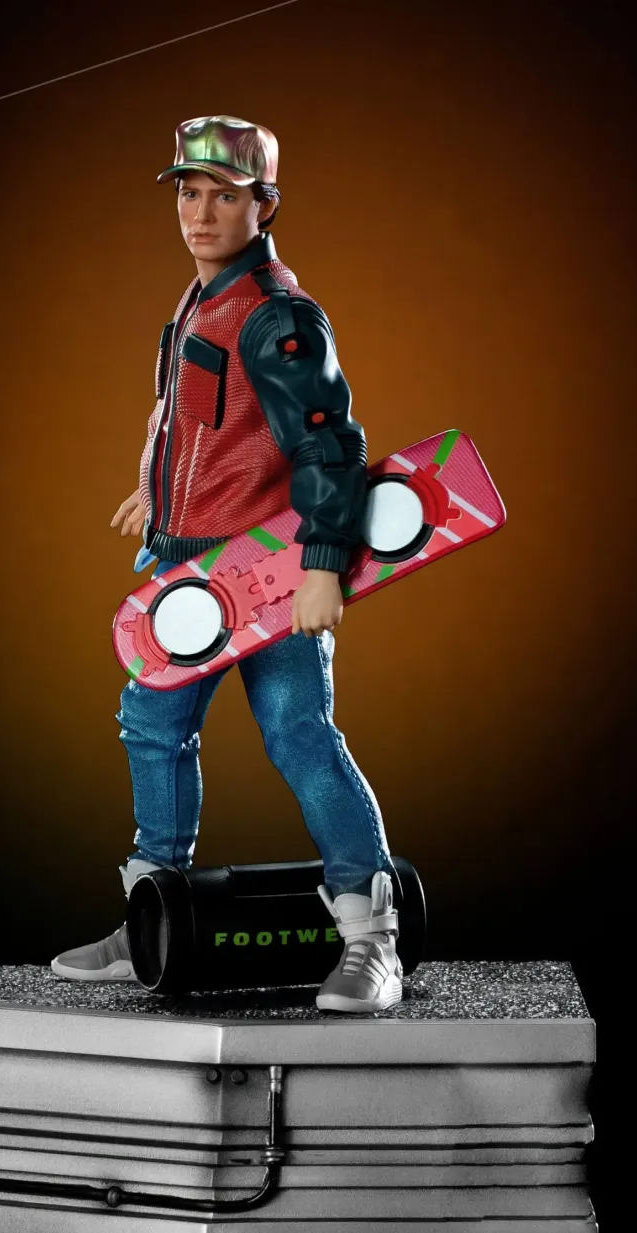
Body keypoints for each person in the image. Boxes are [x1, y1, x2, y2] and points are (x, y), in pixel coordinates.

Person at [51, 116, 402, 1013]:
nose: (200, 213)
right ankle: (150, 921)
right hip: (189, 574)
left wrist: (323, 563)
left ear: (265, 205)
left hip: (265, 574)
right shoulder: (201, 297)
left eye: (224, 195)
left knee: (298, 733)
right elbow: (188, 418)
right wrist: (156, 496)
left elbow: (327, 443)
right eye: (188, 192)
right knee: (151, 723)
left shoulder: (276, 315)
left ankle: (371, 935)